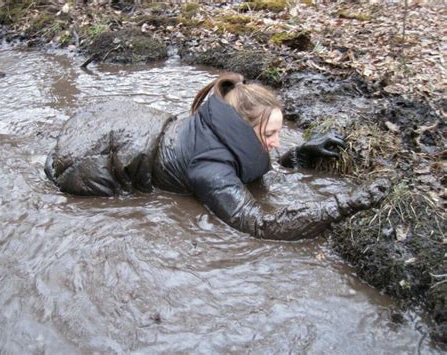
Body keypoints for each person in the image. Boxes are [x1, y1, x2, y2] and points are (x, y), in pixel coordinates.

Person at [45, 72, 388, 240]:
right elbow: (259, 224)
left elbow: (250, 166)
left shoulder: (213, 126)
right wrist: (344, 205)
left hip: (130, 128)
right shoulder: (211, 168)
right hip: (91, 164)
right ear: (241, 128)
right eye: (270, 134)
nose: (276, 142)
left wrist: (300, 155)